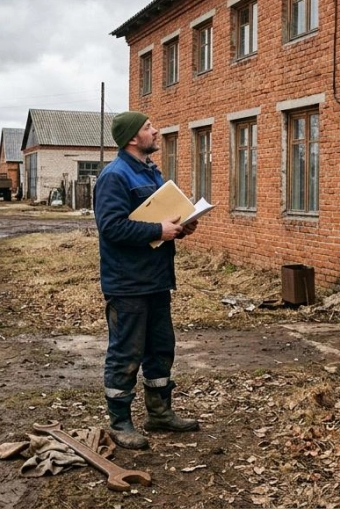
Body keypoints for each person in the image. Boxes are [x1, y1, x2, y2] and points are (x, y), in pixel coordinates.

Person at [93, 111, 201, 449]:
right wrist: (159, 230)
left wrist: (180, 228)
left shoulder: (150, 172)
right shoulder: (114, 176)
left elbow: (158, 221)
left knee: (160, 349)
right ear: (132, 139)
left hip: (156, 280)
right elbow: (111, 227)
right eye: (148, 127)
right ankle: (120, 422)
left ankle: (159, 412)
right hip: (127, 283)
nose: (155, 131)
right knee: (126, 352)